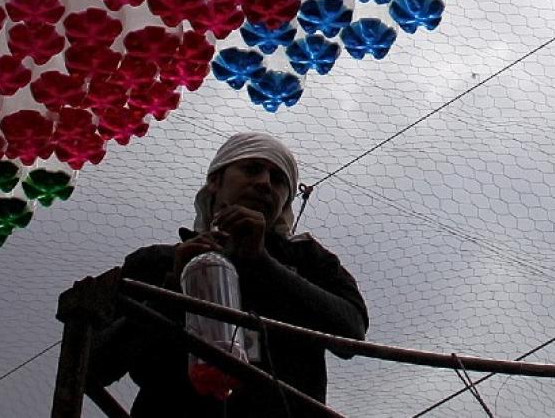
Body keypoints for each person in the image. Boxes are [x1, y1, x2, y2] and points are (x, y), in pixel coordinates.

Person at [87, 132, 370, 416]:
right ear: (215, 181)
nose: (264, 183)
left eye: (278, 180)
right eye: (251, 169)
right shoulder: (157, 262)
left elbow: (351, 334)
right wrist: (172, 288)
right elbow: (92, 365)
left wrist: (262, 263)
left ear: (285, 201)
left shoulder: (310, 259)